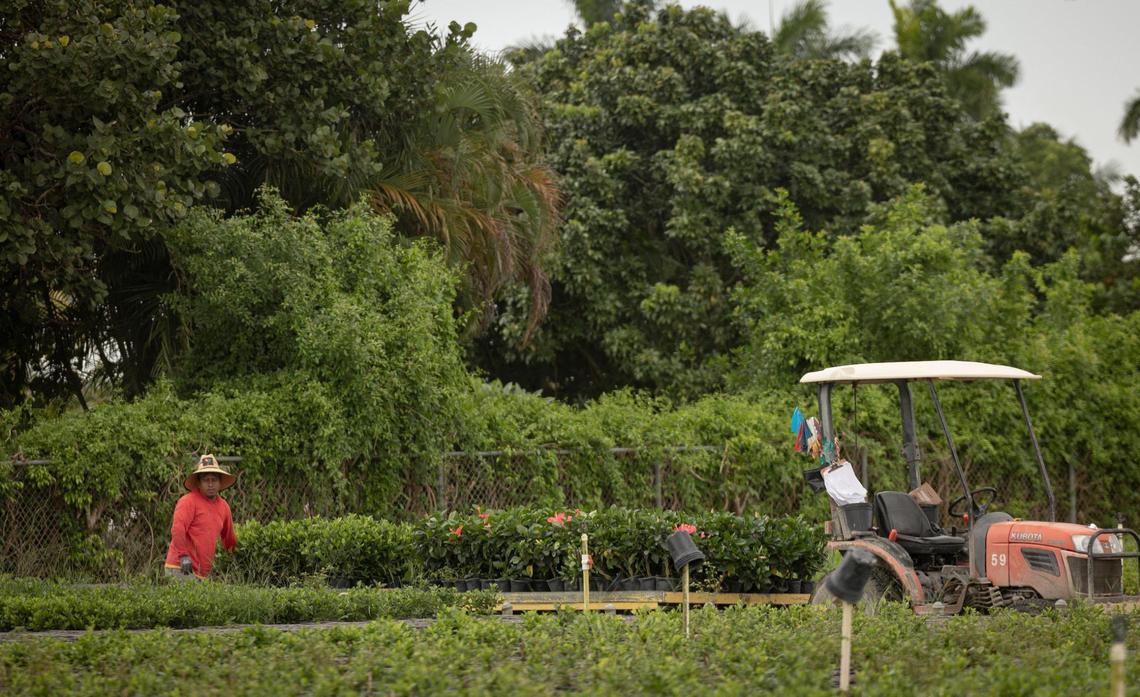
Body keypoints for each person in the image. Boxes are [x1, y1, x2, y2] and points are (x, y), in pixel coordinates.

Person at [164, 454, 237, 580]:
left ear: (220, 483)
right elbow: (178, 528)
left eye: (214, 480)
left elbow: (229, 538)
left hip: (202, 575)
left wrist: (234, 560)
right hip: (180, 567)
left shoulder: (224, 507)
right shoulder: (188, 501)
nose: (210, 484)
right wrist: (183, 556)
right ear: (199, 482)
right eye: (206, 480)